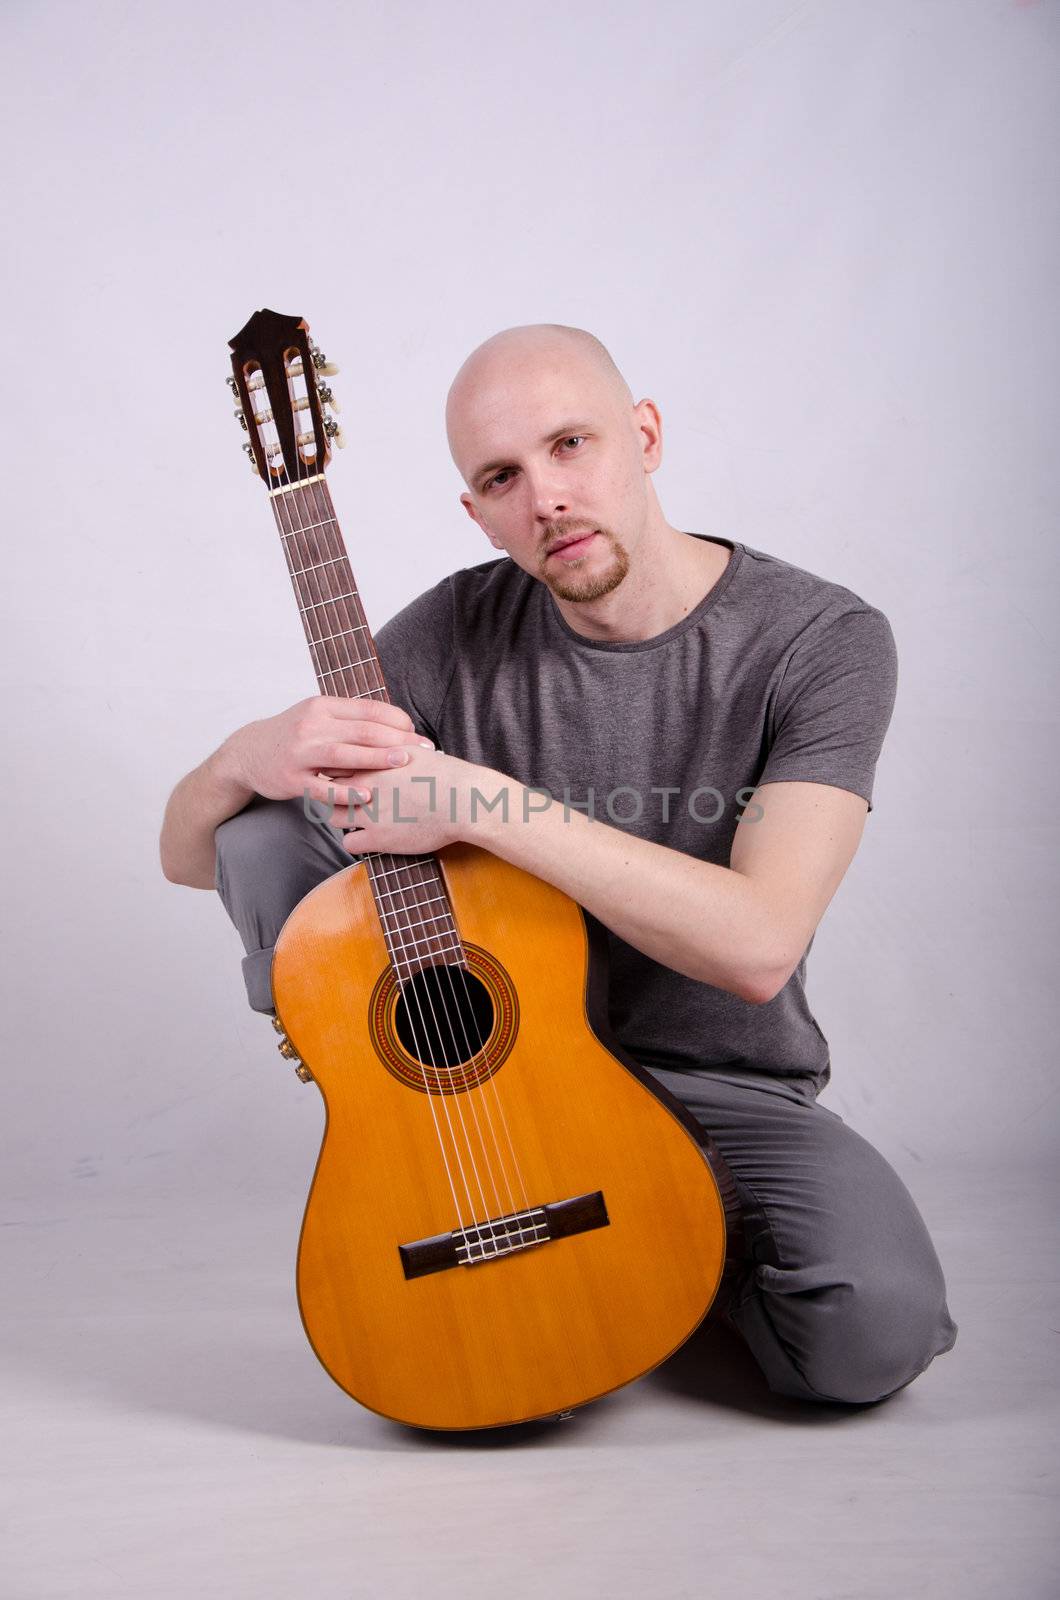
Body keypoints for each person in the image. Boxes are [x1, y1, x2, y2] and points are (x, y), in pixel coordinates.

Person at [159, 322, 957, 1407]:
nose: (545, 498)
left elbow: (761, 945)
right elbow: (195, 859)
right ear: (475, 510)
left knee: (871, 1333)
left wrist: (477, 803)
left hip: (720, 1085)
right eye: (502, 476)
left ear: (644, 435)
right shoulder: (452, 630)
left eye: (570, 445)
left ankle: (665, 1263)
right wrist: (235, 756)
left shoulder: (818, 640)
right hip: (505, 1087)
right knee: (262, 825)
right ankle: (406, 1133)